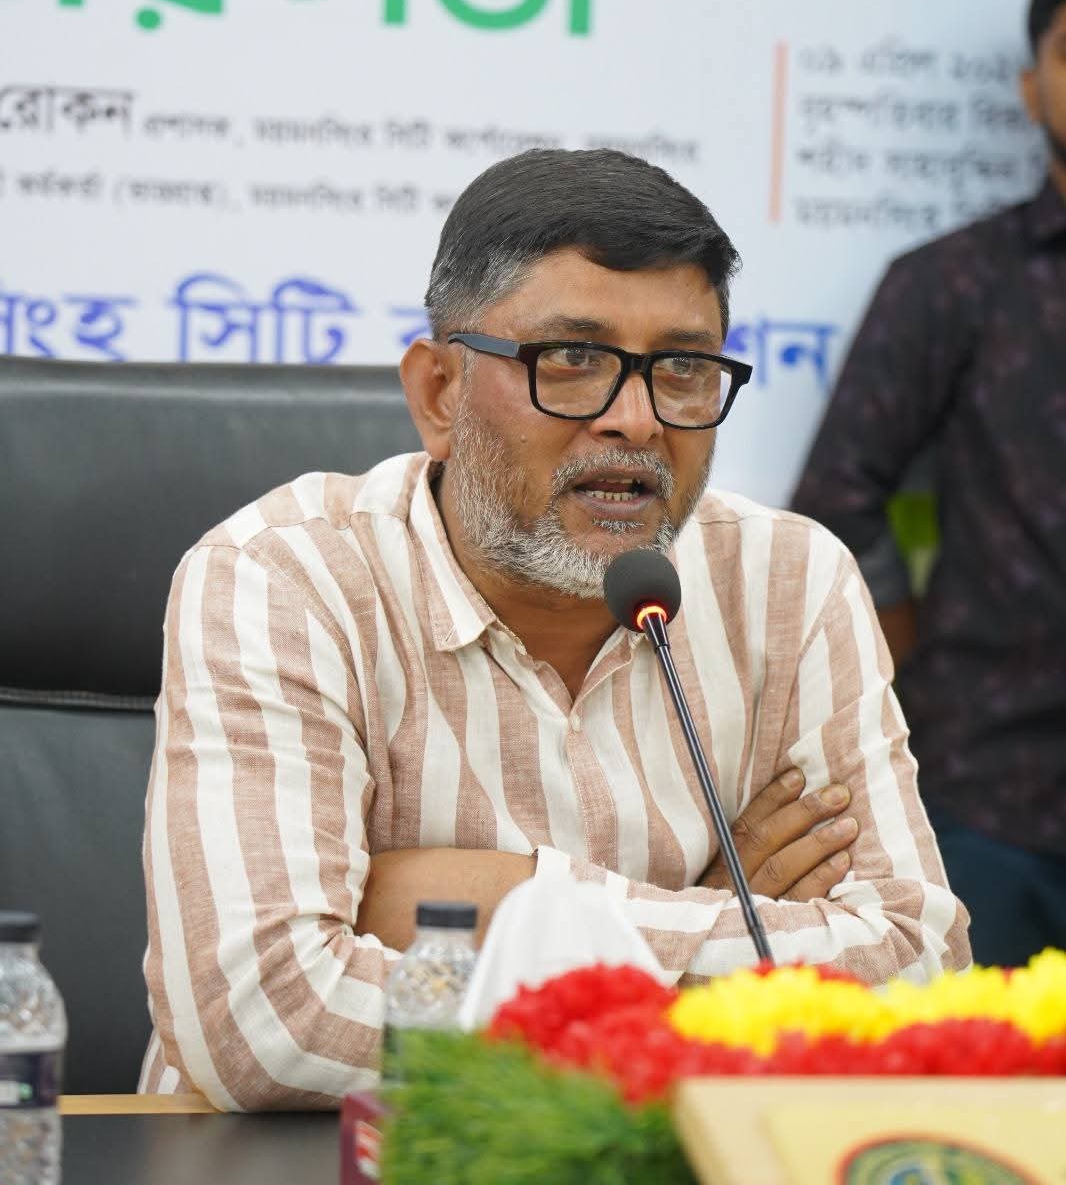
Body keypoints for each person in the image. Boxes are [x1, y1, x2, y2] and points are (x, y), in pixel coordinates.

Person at [140, 148, 968, 1110]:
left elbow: (921, 974)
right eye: (573, 360)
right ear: (440, 393)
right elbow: (266, 1020)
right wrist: (713, 923)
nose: (637, 421)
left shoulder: (792, 581)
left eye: (683, 368)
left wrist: (515, 902)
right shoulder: (285, 577)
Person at [792, 0, 1066, 968]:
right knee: (963, 1065)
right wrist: (896, 653)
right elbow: (836, 497)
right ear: (1031, 88)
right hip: (992, 788)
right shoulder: (956, 281)